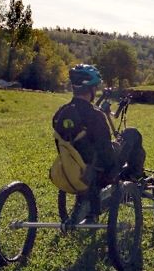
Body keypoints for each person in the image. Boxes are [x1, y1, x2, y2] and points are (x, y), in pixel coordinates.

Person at [52, 64, 146, 223]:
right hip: (99, 172)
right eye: (95, 87)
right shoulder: (95, 116)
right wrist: (117, 147)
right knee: (132, 134)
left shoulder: (60, 113)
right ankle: (133, 177)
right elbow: (106, 154)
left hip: (73, 167)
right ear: (90, 89)